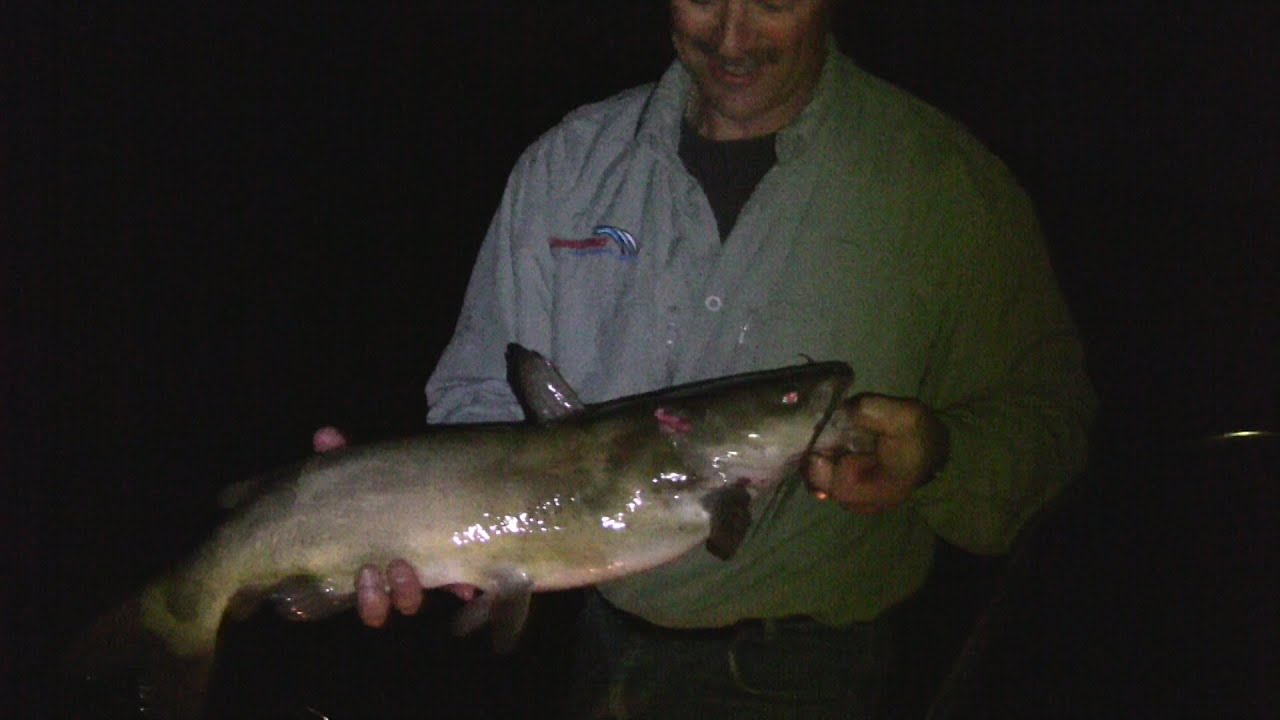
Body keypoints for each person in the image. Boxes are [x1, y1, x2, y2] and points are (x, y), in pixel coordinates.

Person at [342, 1, 1095, 717]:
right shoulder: (568, 163)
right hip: (597, 663)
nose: (733, 38)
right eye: (704, 0)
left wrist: (938, 454)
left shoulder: (946, 186)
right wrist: (389, 501)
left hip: (806, 683)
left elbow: (1051, 424)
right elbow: (479, 396)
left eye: (772, 3)